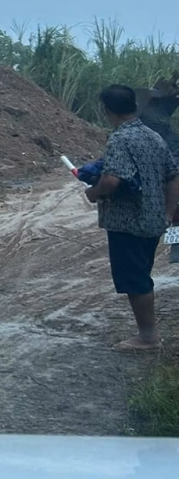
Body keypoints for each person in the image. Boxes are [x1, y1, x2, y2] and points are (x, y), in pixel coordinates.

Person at [82, 84, 179, 352]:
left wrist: (93, 192)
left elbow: (112, 180)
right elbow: (173, 175)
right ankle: (148, 334)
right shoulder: (153, 136)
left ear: (106, 111)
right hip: (152, 220)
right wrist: (168, 212)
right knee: (141, 274)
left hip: (128, 223)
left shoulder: (120, 139)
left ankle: (148, 338)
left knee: (135, 279)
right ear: (134, 105)